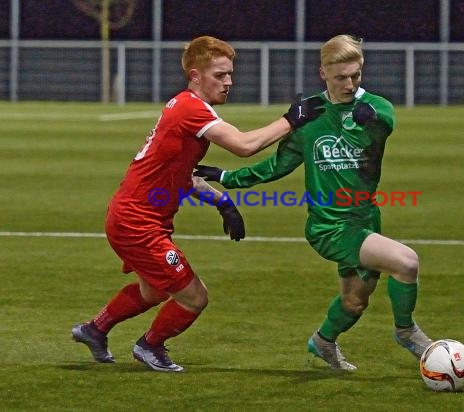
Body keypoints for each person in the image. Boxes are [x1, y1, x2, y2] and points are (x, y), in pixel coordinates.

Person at [71, 35, 324, 372]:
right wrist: (292, 119)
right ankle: (150, 346)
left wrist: (223, 203)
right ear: (195, 75)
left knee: (156, 290)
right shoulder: (191, 108)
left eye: (230, 74)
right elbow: (245, 145)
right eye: (220, 75)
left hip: (133, 215)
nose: (229, 82)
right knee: (194, 296)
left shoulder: (185, 107)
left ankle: (94, 329)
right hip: (137, 222)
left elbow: (182, 174)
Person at [195, 34, 432, 370]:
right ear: (323, 74)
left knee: (354, 302)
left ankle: (322, 342)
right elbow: (277, 165)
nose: (349, 84)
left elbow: (386, 121)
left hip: (365, 220)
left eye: (356, 76)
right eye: (340, 77)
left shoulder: (375, 108)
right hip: (330, 227)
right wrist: (226, 178)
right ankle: (406, 331)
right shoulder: (309, 117)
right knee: (406, 262)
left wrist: (372, 121)